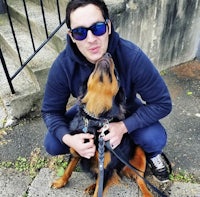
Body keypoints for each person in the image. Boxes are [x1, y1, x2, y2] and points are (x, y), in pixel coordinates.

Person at [42, 0, 172, 183]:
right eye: (80, 32)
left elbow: (163, 103)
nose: (91, 39)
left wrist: (123, 127)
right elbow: (50, 111)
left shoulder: (132, 56)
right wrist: (69, 140)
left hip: (124, 108)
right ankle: (83, 150)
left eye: (98, 28)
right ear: (71, 36)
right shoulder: (63, 65)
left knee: (153, 138)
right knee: (54, 142)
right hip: (88, 110)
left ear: (109, 27)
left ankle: (149, 155)